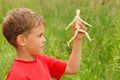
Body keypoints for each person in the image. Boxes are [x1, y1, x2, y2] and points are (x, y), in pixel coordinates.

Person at [2, 8, 87, 80]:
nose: (44, 40)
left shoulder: (42, 60)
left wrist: (77, 39)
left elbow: (72, 68)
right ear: (22, 40)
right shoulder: (17, 76)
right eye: (40, 35)